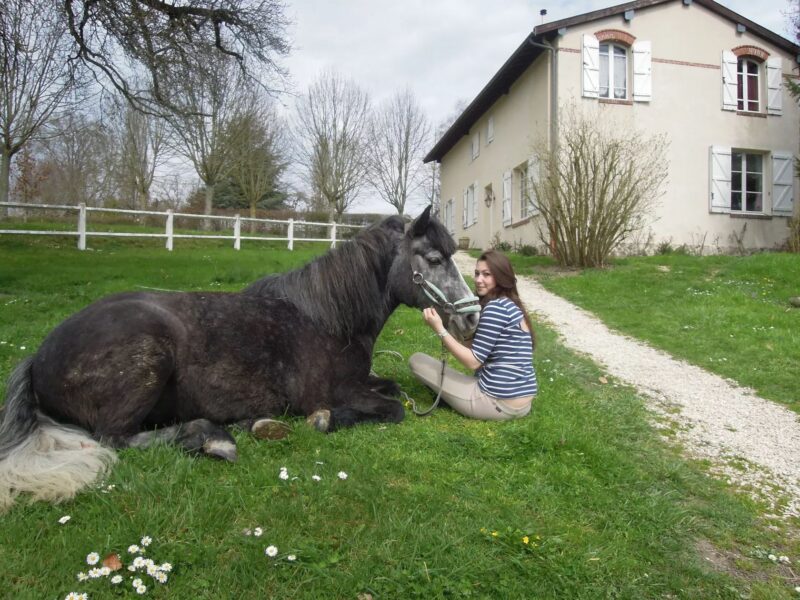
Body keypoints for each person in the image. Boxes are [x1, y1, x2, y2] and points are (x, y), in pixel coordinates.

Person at [409, 250, 538, 420]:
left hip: (496, 404)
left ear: (501, 277)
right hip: (522, 405)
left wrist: (439, 329)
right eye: (477, 273)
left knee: (417, 360)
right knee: (447, 372)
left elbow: (473, 362)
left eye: (487, 275)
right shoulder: (511, 305)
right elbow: (481, 350)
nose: (478, 280)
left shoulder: (495, 309)